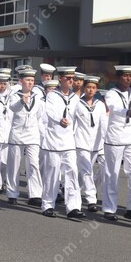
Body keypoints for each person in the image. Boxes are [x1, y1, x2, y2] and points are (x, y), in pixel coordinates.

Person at [41, 66, 85, 218]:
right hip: (53, 142)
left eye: (73, 78)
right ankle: (48, 205)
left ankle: (73, 207)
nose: (71, 80)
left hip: (69, 142)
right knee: (52, 174)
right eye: (68, 78)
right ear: (60, 79)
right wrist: (59, 120)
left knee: (72, 172)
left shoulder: (75, 98)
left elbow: (80, 115)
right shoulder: (52, 95)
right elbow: (50, 112)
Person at [102, 65, 131, 223]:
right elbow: (114, 108)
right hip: (115, 138)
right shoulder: (111, 93)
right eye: (125, 76)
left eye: (130, 76)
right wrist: (126, 112)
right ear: (118, 77)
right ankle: (109, 208)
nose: (128, 79)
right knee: (112, 173)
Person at [5, 68, 43, 205]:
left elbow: (39, 115)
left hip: (32, 134)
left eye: (32, 80)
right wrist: (21, 101)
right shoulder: (14, 95)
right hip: (17, 134)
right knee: (14, 165)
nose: (30, 83)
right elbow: (12, 108)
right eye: (27, 80)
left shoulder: (37, 96)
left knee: (33, 164)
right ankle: (12, 193)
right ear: (21, 81)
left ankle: (35, 195)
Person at [74, 75, 108, 213]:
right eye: (88, 87)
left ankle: (73, 192)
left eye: (93, 88)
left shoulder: (100, 105)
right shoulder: (77, 103)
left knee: (82, 173)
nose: (91, 90)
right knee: (87, 170)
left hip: (96, 143)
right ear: (84, 88)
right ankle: (91, 199)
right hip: (81, 142)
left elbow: (103, 123)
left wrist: (106, 140)